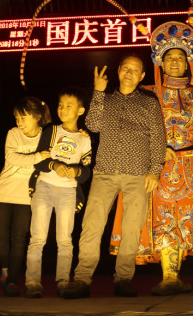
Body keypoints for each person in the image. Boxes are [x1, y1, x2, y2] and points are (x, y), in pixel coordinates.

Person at [109, 22, 193, 296]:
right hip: (157, 168)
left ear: (187, 61)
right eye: (169, 57)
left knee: (185, 218)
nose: (175, 62)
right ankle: (167, 276)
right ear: (160, 61)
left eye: (180, 57)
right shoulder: (147, 94)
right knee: (162, 218)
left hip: (189, 168)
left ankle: (173, 276)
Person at [65, 54, 166, 299]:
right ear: (119, 70)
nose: (129, 72)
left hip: (138, 173)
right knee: (92, 226)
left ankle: (123, 279)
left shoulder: (149, 102)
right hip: (105, 172)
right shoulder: (106, 99)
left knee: (131, 228)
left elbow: (158, 137)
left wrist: (155, 171)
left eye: (135, 70)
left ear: (142, 76)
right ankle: (82, 279)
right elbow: (93, 125)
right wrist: (98, 92)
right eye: (126, 68)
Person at [24, 86, 91, 298]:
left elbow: (87, 171)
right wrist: (54, 165)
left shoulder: (84, 139)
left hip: (68, 192)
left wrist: (76, 171)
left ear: (80, 110)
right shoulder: (51, 131)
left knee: (65, 239)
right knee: (37, 237)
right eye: (61, 105)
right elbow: (39, 161)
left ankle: (63, 281)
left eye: (69, 106)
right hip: (44, 186)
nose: (62, 109)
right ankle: (32, 282)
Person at [0, 97, 51, 297]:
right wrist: (37, 157)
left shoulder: (46, 136)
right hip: (5, 190)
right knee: (0, 237)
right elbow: (11, 158)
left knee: (19, 238)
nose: (19, 122)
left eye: (23, 117)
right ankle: (5, 268)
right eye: (17, 118)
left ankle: (11, 281)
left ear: (37, 117)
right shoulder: (13, 133)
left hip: (27, 195)